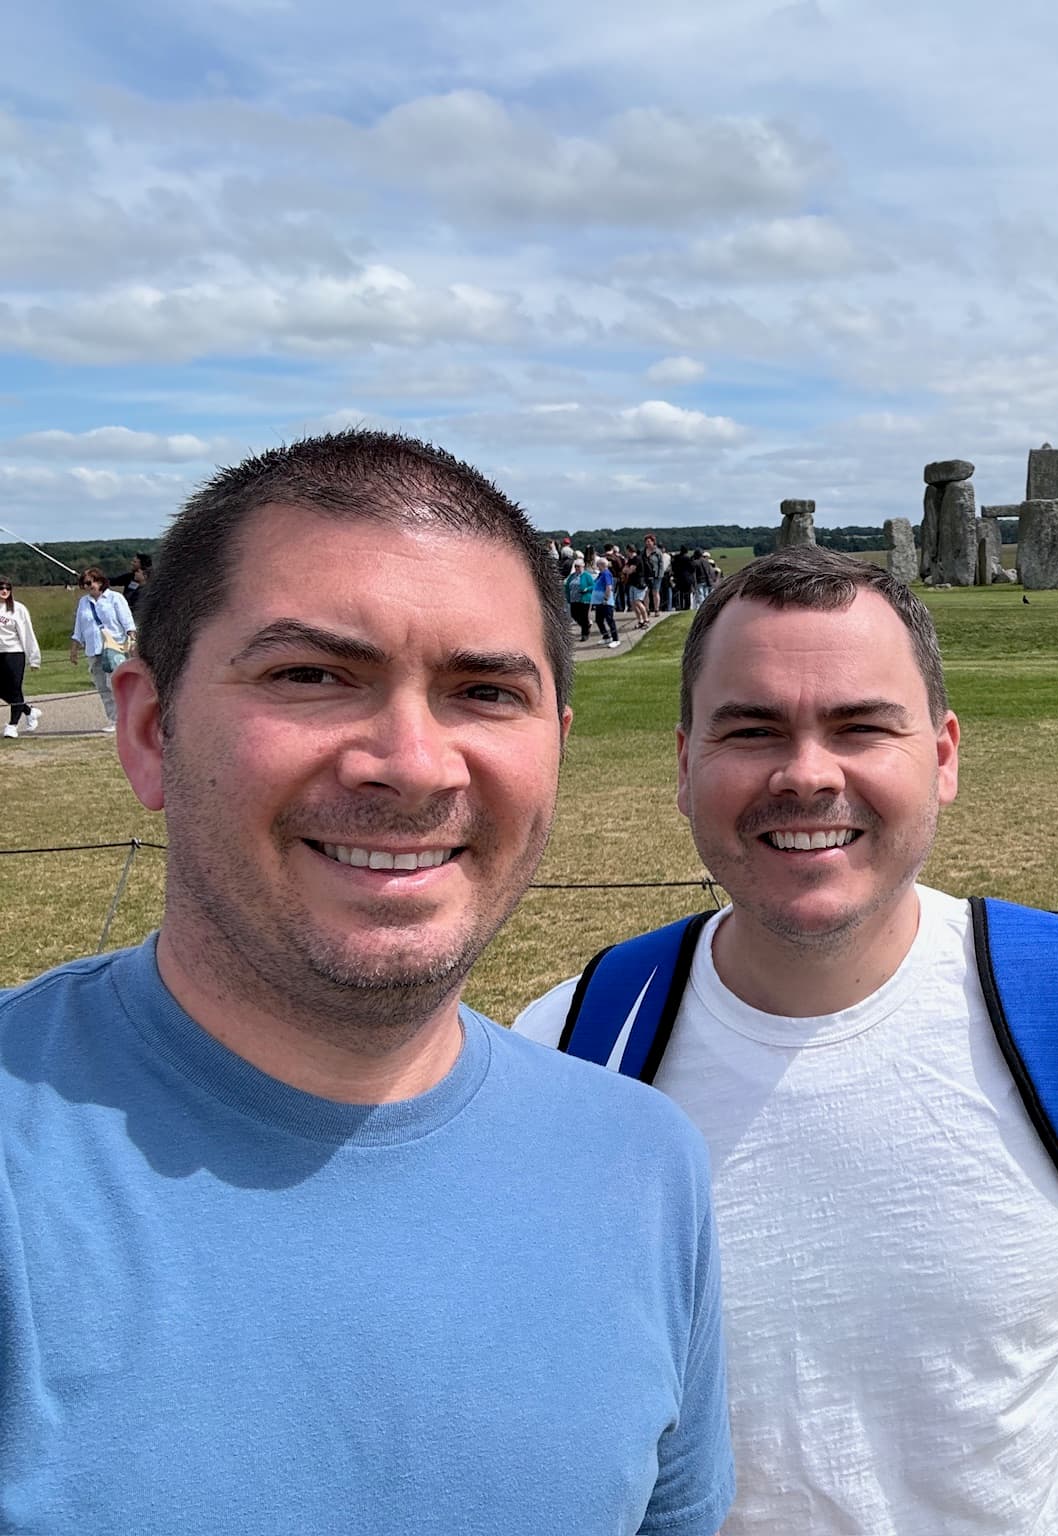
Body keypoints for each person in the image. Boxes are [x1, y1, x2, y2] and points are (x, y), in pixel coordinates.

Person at [1, 430, 733, 1536]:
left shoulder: (642, 1163)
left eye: (484, 691)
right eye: (310, 676)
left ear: (555, 747)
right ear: (150, 731)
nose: (411, 762)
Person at [516, 545, 1058, 1536]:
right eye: (752, 729)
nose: (807, 774)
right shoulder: (574, 1048)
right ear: (685, 763)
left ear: (942, 755)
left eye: (861, 725)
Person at [69, 565, 137, 732]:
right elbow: (79, 626)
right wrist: (74, 647)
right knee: (102, 686)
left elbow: (127, 621)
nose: (87, 587)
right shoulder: (83, 602)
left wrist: (132, 639)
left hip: (114, 647)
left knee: (114, 683)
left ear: (99, 582)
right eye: (84, 584)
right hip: (93, 649)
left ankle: (127, 719)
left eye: (89, 583)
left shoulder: (115, 598)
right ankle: (114, 720)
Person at [0, 574, 42, 738]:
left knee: (15, 688)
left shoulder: (18, 609)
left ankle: (12, 725)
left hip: (14, 652)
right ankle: (29, 711)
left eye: (7, 588)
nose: (4, 591)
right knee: (2, 689)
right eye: (1, 588)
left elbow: (27, 634)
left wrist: (34, 658)